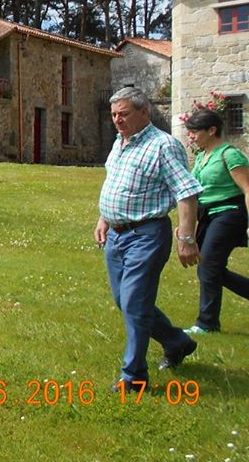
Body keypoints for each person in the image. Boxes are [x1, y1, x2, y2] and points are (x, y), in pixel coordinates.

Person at [94, 87, 203, 390]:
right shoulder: (120, 142)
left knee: (134, 303)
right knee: (125, 301)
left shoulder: (163, 146)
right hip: (116, 236)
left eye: (124, 114)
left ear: (145, 112)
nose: (117, 120)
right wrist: (104, 218)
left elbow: (186, 192)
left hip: (146, 235)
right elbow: (116, 183)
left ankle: (134, 377)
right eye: (114, 115)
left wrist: (186, 238)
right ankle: (177, 342)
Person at [183, 108, 249, 334]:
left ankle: (207, 323)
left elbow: (247, 189)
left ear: (211, 130)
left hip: (229, 214)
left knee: (209, 266)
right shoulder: (202, 157)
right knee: (210, 268)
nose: (190, 136)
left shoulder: (229, 155)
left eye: (194, 132)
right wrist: (185, 224)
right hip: (207, 216)